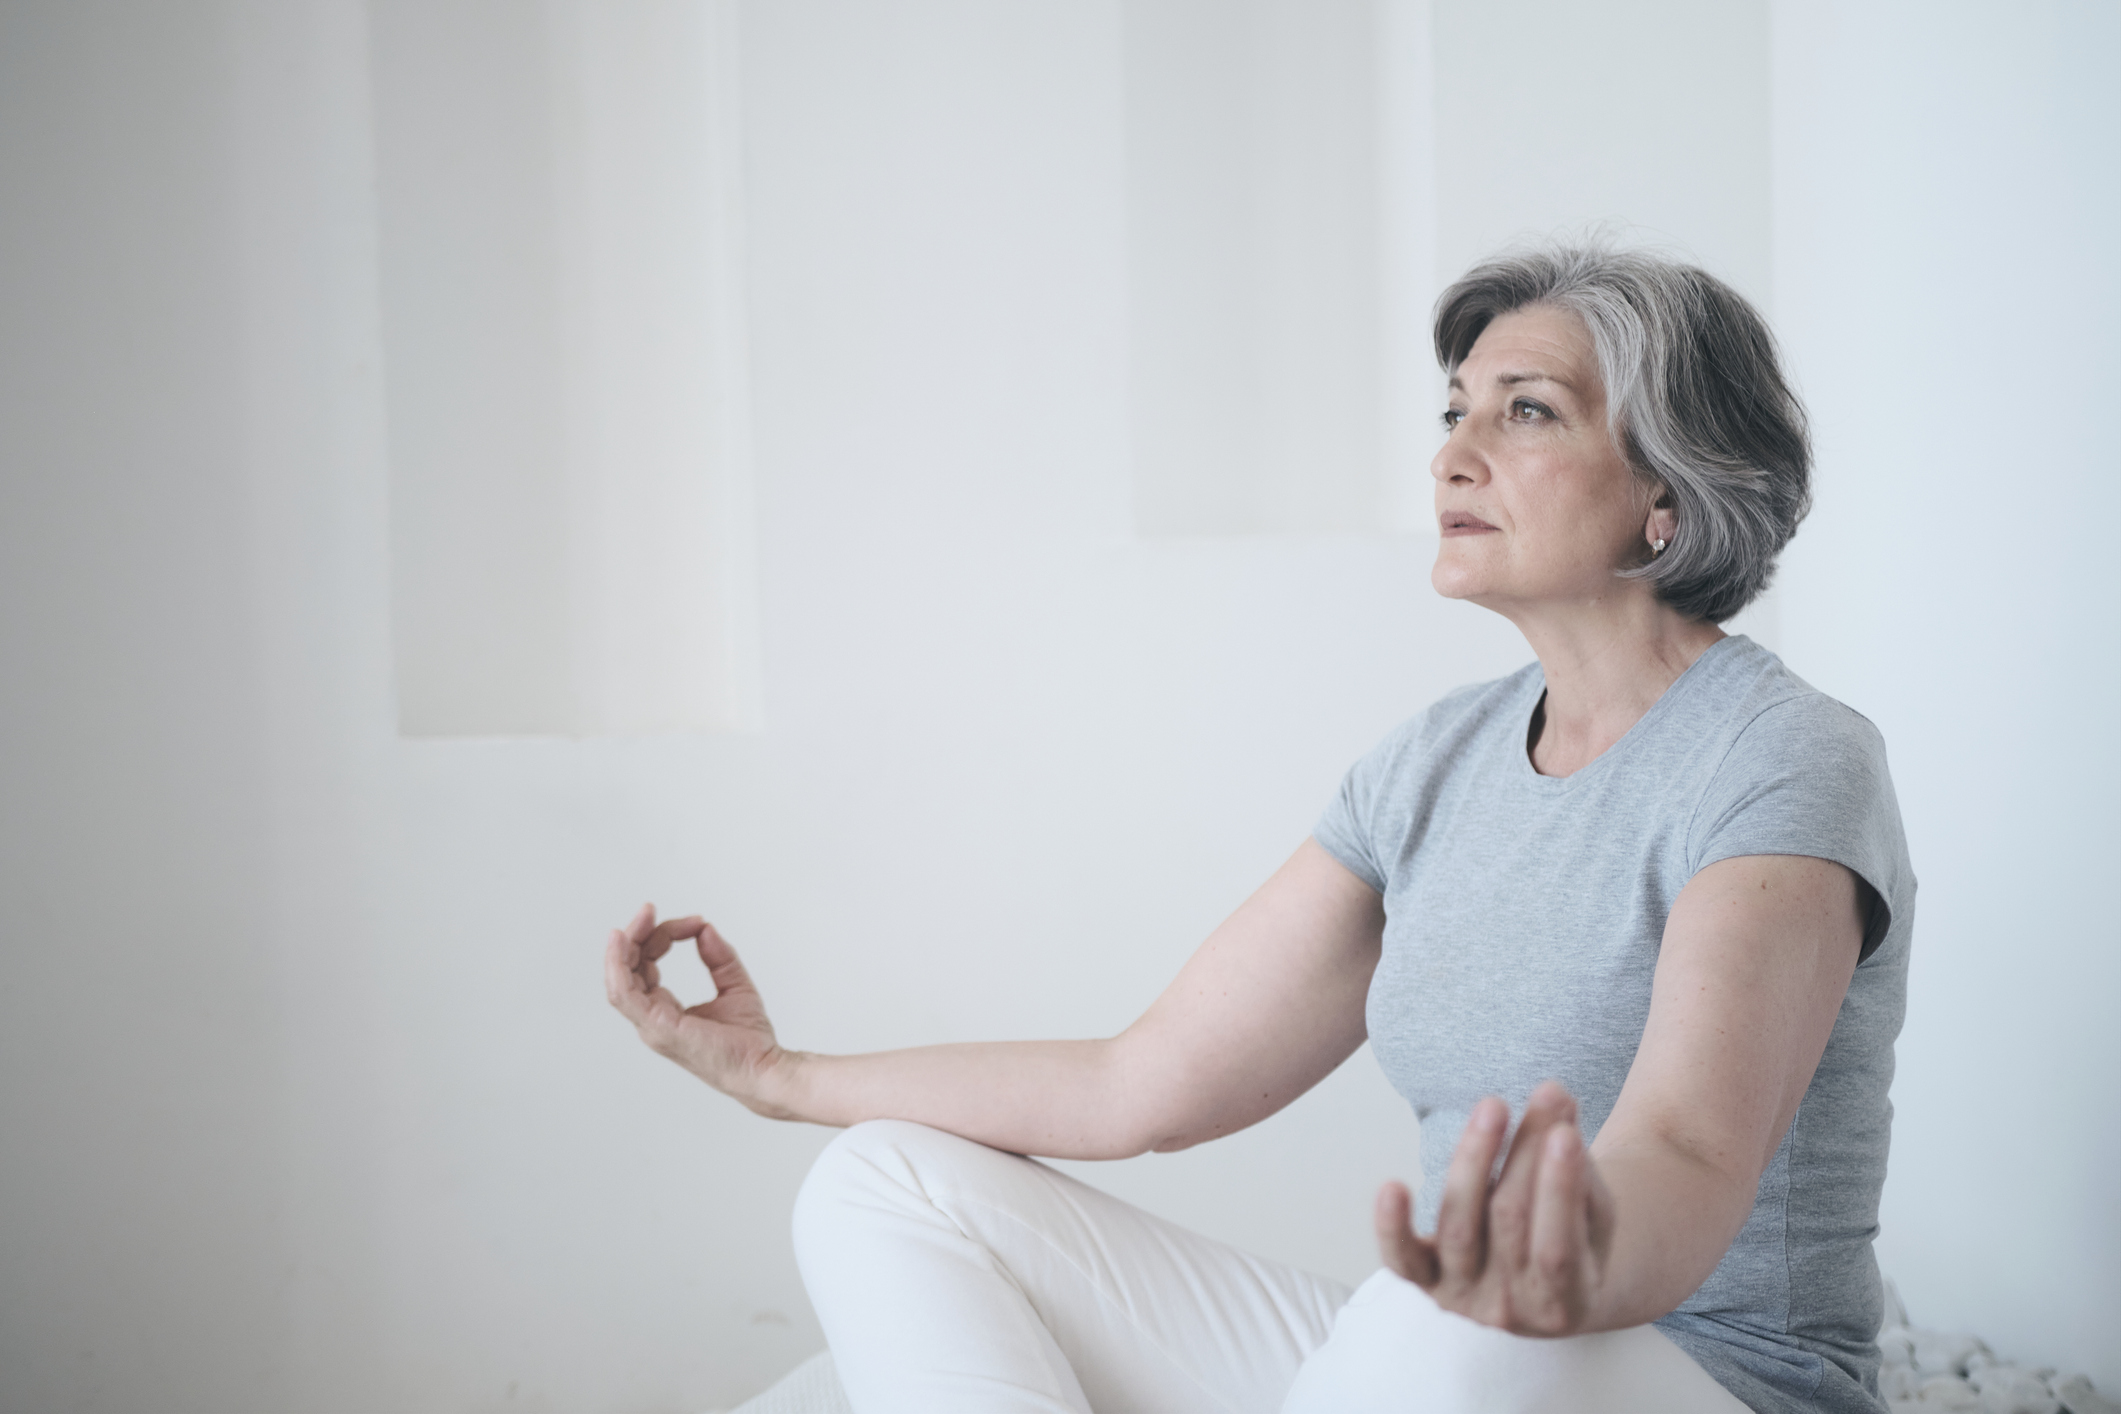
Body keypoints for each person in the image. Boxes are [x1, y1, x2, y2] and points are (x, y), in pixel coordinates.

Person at [604, 243, 1912, 1414]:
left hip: (1704, 1374)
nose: (1454, 451)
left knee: (1420, 1324)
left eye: (1525, 411)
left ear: (1663, 491)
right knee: (879, 1181)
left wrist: (1543, 1275)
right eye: (1453, 410)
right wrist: (779, 1075)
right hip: (1452, 1341)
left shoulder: (1779, 756)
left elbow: (1688, 1145)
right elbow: (1141, 1080)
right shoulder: (1432, 762)